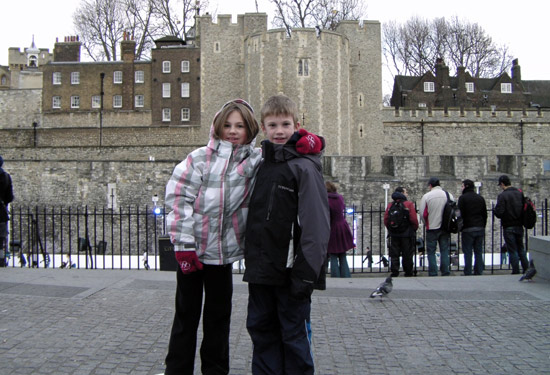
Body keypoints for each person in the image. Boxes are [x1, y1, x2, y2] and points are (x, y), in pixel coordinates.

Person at [162, 99, 262, 375]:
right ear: (217, 127)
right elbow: (178, 199)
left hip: (222, 256)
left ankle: (215, 370)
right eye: (228, 125)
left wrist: (307, 141)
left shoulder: (254, 161)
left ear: (250, 130)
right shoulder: (198, 159)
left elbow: (283, 147)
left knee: (218, 319)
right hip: (192, 253)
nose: (233, 131)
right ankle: (177, 369)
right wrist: (183, 246)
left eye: (239, 126)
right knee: (185, 316)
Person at [243, 94, 329, 375]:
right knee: (261, 332)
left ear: (297, 125)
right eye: (272, 125)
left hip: (291, 271)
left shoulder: (303, 167)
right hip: (262, 270)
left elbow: (316, 225)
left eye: (285, 124)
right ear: (263, 128)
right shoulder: (262, 165)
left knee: (294, 338)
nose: (279, 131)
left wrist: (307, 273)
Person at [494, 175, 529, 274]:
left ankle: (515, 270)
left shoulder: (502, 196)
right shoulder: (519, 193)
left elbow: (499, 212)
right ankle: (526, 268)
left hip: (508, 225)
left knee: (512, 249)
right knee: (521, 248)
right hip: (519, 225)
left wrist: (495, 211)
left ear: (502, 184)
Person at [419, 177, 454, 276]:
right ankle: (445, 270)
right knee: (444, 249)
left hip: (432, 227)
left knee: (431, 251)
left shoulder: (427, 196)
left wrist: (426, 223)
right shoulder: (448, 195)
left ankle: (433, 271)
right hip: (445, 227)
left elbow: (422, 213)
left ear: (430, 185)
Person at [384, 187, 418, 277]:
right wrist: (414, 228)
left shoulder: (391, 205)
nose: (407, 194)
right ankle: (408, 271)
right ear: (402, 193)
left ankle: (395, 271)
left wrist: (391, 228)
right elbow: (413, 219)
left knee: (394, 253)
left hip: (394, 233)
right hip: (406, 233)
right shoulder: (408, 204)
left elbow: (386, 219)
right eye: (406, 192)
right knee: (407, 253)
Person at [457, 179, 487, 275]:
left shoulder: (463, 198)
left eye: (462, 186)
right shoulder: (480, 198)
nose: (461, 188)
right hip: (479, 227)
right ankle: (479, 270)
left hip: (468, 227)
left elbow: (459, 214)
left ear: (466, 186)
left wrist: (460, 226)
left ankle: (468, 271)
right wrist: (483, 225)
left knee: (468, 251)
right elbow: (484, 214)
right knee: (478, 251)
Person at [326, 181, 354, 278]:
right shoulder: (340, 197)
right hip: (342, 226)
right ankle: (346, 274)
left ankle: (335, 275)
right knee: (342, 253)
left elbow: (327, 216)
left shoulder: (326, 200)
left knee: (333, 253)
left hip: (332, 227)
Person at [0, 155, 14, 268]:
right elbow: (9, 197)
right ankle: (0, 260)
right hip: (0, 213)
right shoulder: (6, 177)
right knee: (0, 239)